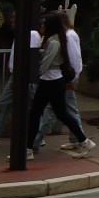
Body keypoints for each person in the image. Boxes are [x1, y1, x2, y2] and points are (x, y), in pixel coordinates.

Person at [24, 13, 94, 159]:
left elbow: (45, 64)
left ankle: (28, 149)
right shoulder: (55, 39)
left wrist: (34, 75)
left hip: (50, 81)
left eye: (44, 24)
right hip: (53, 81)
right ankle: (84, 141)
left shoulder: (54, 42)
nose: (42, 26)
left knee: (39, 113)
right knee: (60, 113)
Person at [0, 13, 40, 146]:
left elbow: (29, 57)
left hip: (24, 76)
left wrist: (18, 76)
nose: (13, 24)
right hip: (17, 75)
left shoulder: (31, 35)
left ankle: (38, 135)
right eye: (12, 21)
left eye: (15, 21)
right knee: (7, 103)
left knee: (32, 106)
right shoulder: (20, 34)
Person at [41, 9, 86, 151]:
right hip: (65, 78)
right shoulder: (66, 35)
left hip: (65, 79)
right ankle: (77, 139)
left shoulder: (69, 36)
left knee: (54, 110)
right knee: (69, 109)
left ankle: (33, 142)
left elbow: (73, 58)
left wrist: (71, 79)